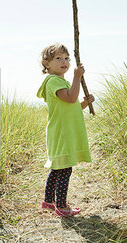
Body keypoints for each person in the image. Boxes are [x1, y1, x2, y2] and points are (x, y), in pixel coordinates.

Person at [36, 43, 94, 217]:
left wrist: (85, 103)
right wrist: (77, 77)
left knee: (58, 168)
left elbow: (71, 107)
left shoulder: (61, 81)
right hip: (60, 132)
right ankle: (61, 207)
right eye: (58, 58)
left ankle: (48, 201)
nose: (65, 61)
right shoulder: (53, 81)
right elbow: (70, 98)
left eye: (67, 58)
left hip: (61, 131)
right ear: (47, 63)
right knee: (65, 168)